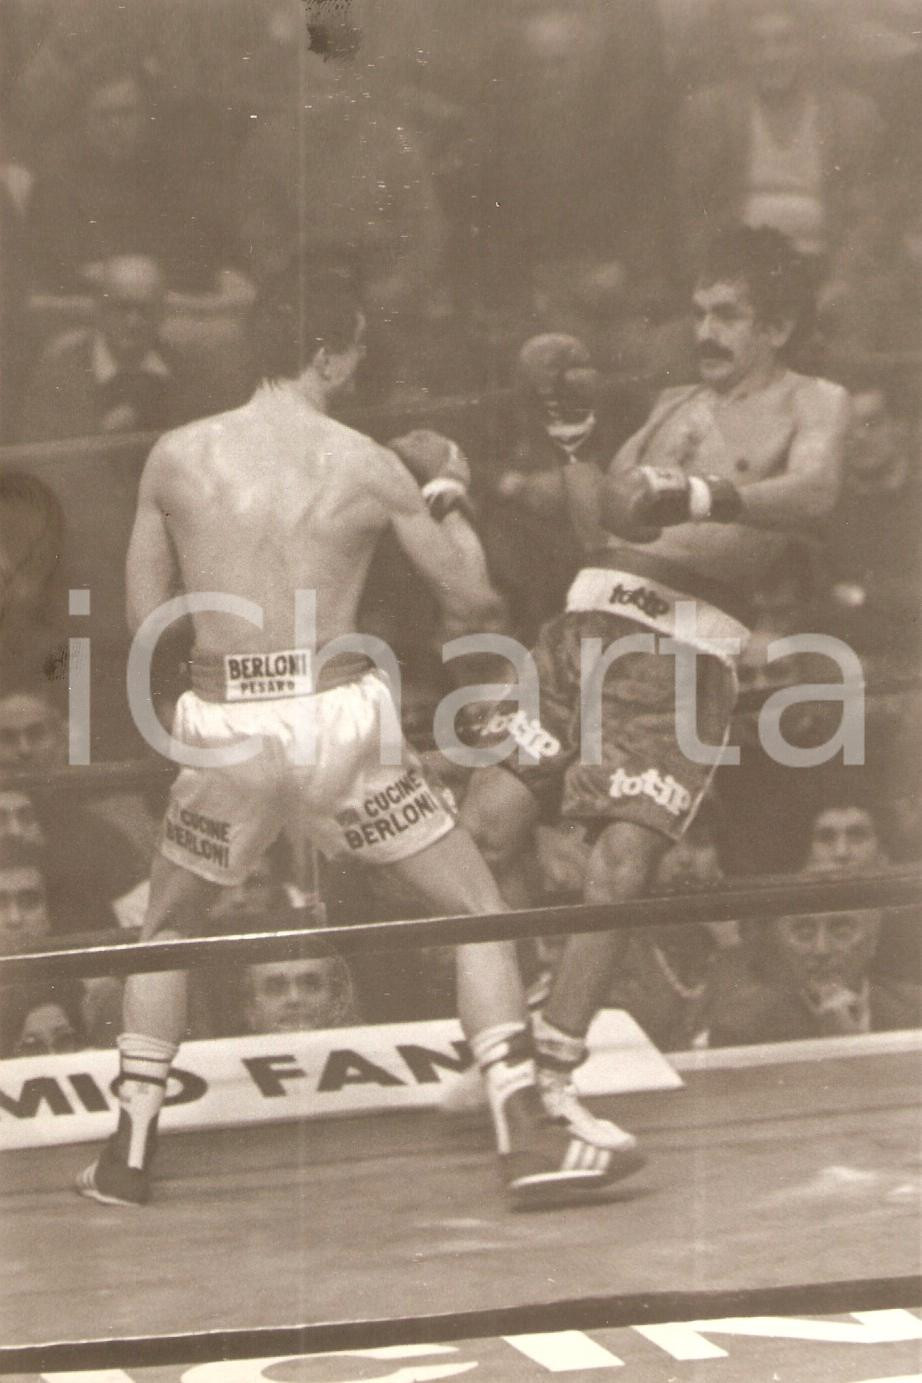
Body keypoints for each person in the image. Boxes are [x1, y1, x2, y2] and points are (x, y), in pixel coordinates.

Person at [76, 262, 641, 1210]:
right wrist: (450, 485)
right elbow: (474, 598)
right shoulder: (368, 463)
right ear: (330, 354)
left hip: (228, 722)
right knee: (478, 910)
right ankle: (521, 1128)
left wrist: (222, 678)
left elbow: (148, 620)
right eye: (355, 351)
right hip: (340, 716)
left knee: (166, 927)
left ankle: (127, 1152)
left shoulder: (174, 454)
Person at [461, 225, 850, 1147]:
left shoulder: (815, 400)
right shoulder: (675, 401)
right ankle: (504, 1056)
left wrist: (699, 493)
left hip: (679, 647)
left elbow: (816, 493)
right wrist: (570, 439)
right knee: (484, 829)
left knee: (619, 862)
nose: (706, 330)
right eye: (700, 311)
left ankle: (554, 1076)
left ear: (780, 325)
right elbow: (598, 520)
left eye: (730, 315)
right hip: (583, 625)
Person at [674, 0, 886, 299]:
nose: (771, 56)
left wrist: (842, 282)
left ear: (807, 46)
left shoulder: (851, 114)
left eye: (785, 41)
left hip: (824, 274)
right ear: (741, 51)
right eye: (757, 44)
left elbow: (869, 216)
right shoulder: (711, 113)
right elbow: (694, 215)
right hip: (742, 274)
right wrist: (721, 282)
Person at [20, 256, 202, 443]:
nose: (133, 322)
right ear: (99, 308)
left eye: (145, 309)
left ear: (162, 312)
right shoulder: (59, 372)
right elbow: (38, 459)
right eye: (121, 308)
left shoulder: (187, 370)